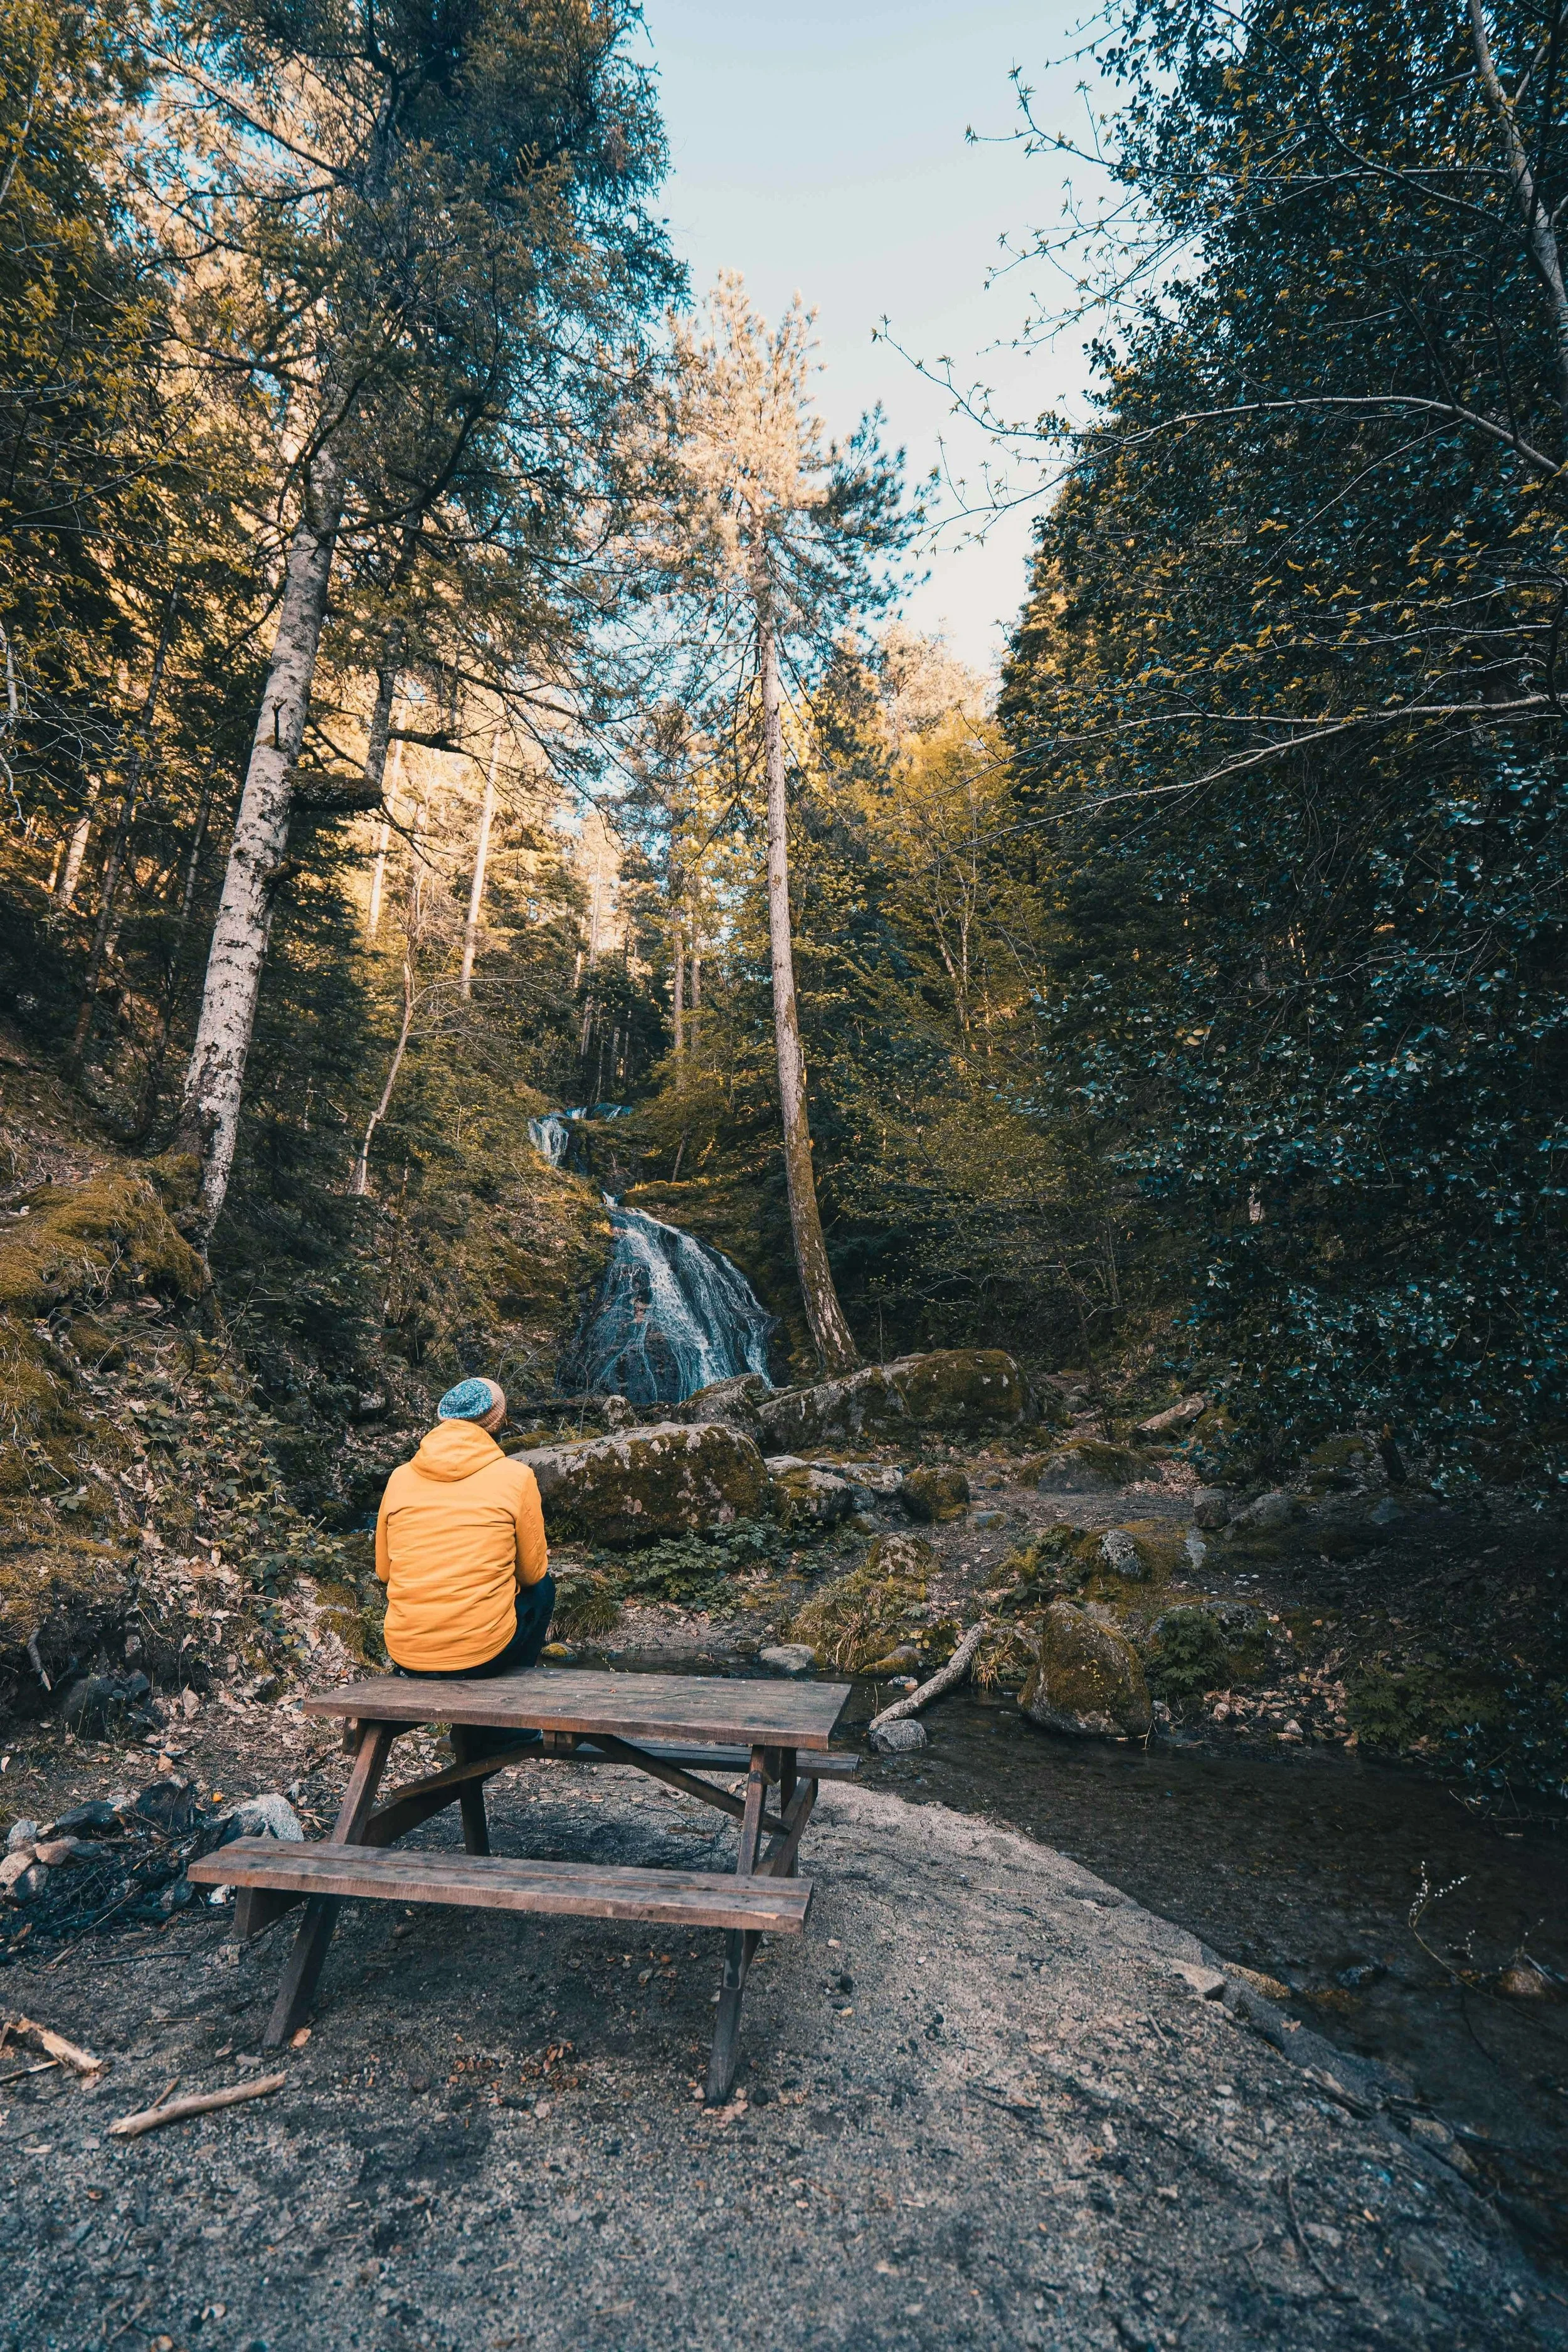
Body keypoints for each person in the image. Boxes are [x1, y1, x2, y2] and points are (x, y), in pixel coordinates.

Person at [374, 1376, 554, 1684]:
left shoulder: (400, 1478)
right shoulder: (516, 1477)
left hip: (407, 1655)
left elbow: (385, 1572)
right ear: (498, 1422)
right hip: (483, 1657)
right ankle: (516, 1729)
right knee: (543, 1590)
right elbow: (531, 1574)